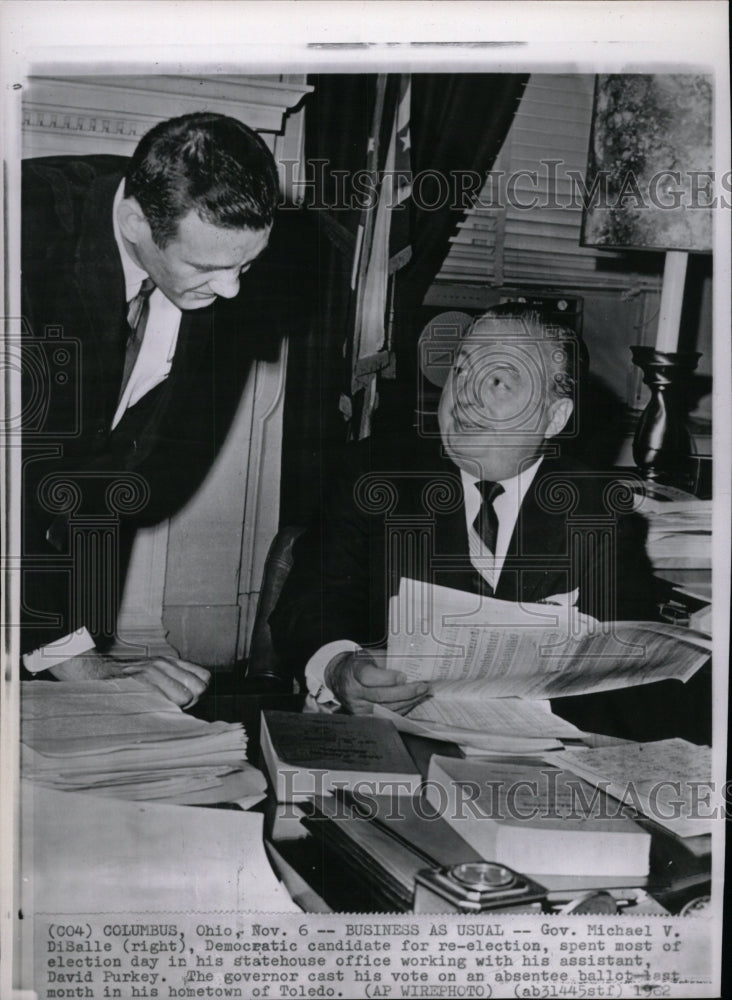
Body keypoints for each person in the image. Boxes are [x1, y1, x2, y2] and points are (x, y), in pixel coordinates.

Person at [270, 304, 699, 738]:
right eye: (461, 371)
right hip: (386, 743)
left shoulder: (598, 513)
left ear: (554, 417)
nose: (466, 395)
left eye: (498, 381)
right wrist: (341, 665)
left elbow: (627, 670)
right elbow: (309, 602)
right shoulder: (374, 474)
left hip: (529, 764)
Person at [20, 112, 279, 707]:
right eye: (209, 269)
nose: (234, 290)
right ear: (135, 221)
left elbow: (118, 461)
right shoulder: (21, 238)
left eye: (246, 265)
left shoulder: (209, 250)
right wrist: (72, 657)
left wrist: (77, 645)